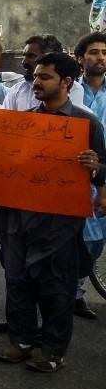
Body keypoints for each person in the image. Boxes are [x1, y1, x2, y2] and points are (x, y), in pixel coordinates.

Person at [0, 53, 106, 372]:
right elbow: (1, 162)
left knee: (56, 285)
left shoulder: (86, 124)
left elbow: (102, 170)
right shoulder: (21, 121)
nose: (37, 82)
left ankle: (53, 349)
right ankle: (21, 339)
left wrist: (95, 168)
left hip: (59, 221)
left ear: (66, 83)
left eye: (45, 77)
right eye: (37, 76)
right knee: (17, 279)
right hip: (17, 216)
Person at [73, 32, 106, 321]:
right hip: (71, 172)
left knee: (96, 239)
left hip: (103, 175)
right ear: (81, 58)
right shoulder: (69, 89)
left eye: (104, 53)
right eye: (94, 52)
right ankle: (74, 294)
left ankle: (77, 286)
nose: (100, 58)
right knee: (72, 236)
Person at [0, 32, 84, 109]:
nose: (24, 62)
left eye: (31, 56)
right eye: (24, 56)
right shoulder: (19, 90)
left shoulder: (74, 89)